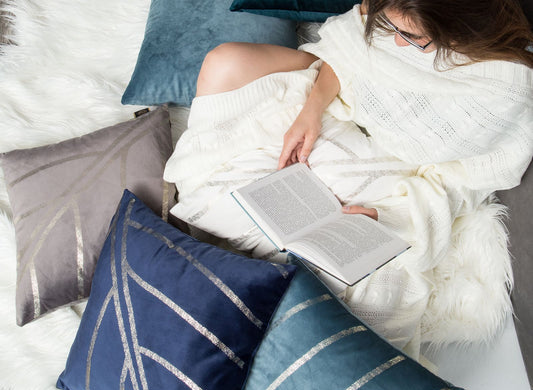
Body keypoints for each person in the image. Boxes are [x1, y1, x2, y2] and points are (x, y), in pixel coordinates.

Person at [164, 0, 533, 359]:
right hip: (339, 103)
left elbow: (458, 182)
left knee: (363, 293)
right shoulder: (394, 9)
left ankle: (262, 259)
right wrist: (311, 111)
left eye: (414, 38)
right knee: (224, 64)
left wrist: (389, 217)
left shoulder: (504, 90)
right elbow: (344, 53)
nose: (398, 42)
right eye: (391, 27)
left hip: (393, 166)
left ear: (462, 27)